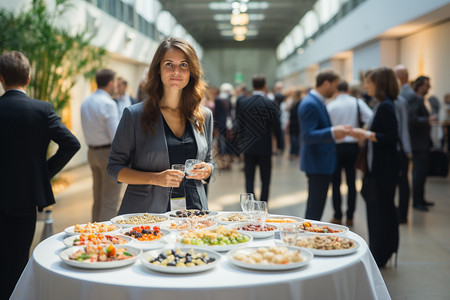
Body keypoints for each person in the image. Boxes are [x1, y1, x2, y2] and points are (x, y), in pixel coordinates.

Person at [0, 51, 80, 299]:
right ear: (29, 77)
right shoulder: (41, 109)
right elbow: (71, 144)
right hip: (26, 197)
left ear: (1, 78)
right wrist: (43, 173)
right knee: (18, 257)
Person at [107, 37, 214, 214]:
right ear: (158, 69)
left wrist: (208, 169)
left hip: (194, 212)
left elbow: (208, 159)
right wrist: (155, 178)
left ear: (192, 72)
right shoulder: (134, 116)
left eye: (184, 65)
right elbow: (114, 168)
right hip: (148, 214)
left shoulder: (203, 116)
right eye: (169, 64)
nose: (176, 71)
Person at [349, 67, 401, 268]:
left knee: (381, 213)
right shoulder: (382, 104)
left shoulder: (386, 106)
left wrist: (367, 134)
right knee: (378, 212)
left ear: (378, 84)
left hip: (384, 170)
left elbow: (391, 137)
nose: (365, 86)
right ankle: (379, 251)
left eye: (369, 83)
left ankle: (381, 253)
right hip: (378, 168)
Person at [298, 69, 350, 221]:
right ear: (326, 83)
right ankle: (307, 240)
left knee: (316, 207)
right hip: (317, 163)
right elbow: (308, 136)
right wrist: (333, 132)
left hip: (321, 162)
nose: (336, 90)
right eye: (334, 86)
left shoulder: (316, 102)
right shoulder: (310, 104)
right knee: (314, 210)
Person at [326, 80, 373, 226]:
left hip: (336, 147)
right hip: (353, 147)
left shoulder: (330, 105)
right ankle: (350, 216)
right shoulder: (357, 102)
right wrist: (359, 131)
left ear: (336, 90)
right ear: (348, 90)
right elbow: (370, 118)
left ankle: (337, 215)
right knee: (352, 182)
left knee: (336, 183)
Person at [81, 69, 122, 221]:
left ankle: (95, 231)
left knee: (98, 197)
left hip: (91, 153)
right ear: (110, 83)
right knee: (110, 199)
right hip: (107, 153)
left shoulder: (86, 101)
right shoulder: (108, 103)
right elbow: (115, 135)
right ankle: (107, 236)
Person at [236, 75, 282, 202]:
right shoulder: (270, 103)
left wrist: (239, 145)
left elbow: (239, 125)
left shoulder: (243, 103)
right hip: (265, 146)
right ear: (265, 86)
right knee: (265, 178)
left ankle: (251, 204)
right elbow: (276, 126)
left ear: (253, 85)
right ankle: (263, 203)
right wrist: (279, 145)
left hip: (248, 145)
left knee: (249, 178)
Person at [409, 76, 435, 211]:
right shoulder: (415, 99)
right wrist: (427, 119)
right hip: (418, 143)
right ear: (420, 86)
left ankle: (421, 199)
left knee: (422, 172)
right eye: (426, 85)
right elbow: (412, 118)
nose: (428, 87)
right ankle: (417, 201)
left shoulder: (420, 99)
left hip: (422, 142)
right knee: (418, 173)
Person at [393, 65, 413, 223]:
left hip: (400, 148)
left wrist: (407, 150)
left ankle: (402, 213)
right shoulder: (397, 97)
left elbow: (404, 126)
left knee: (402, 180)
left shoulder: (402, 98)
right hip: (399, 147)